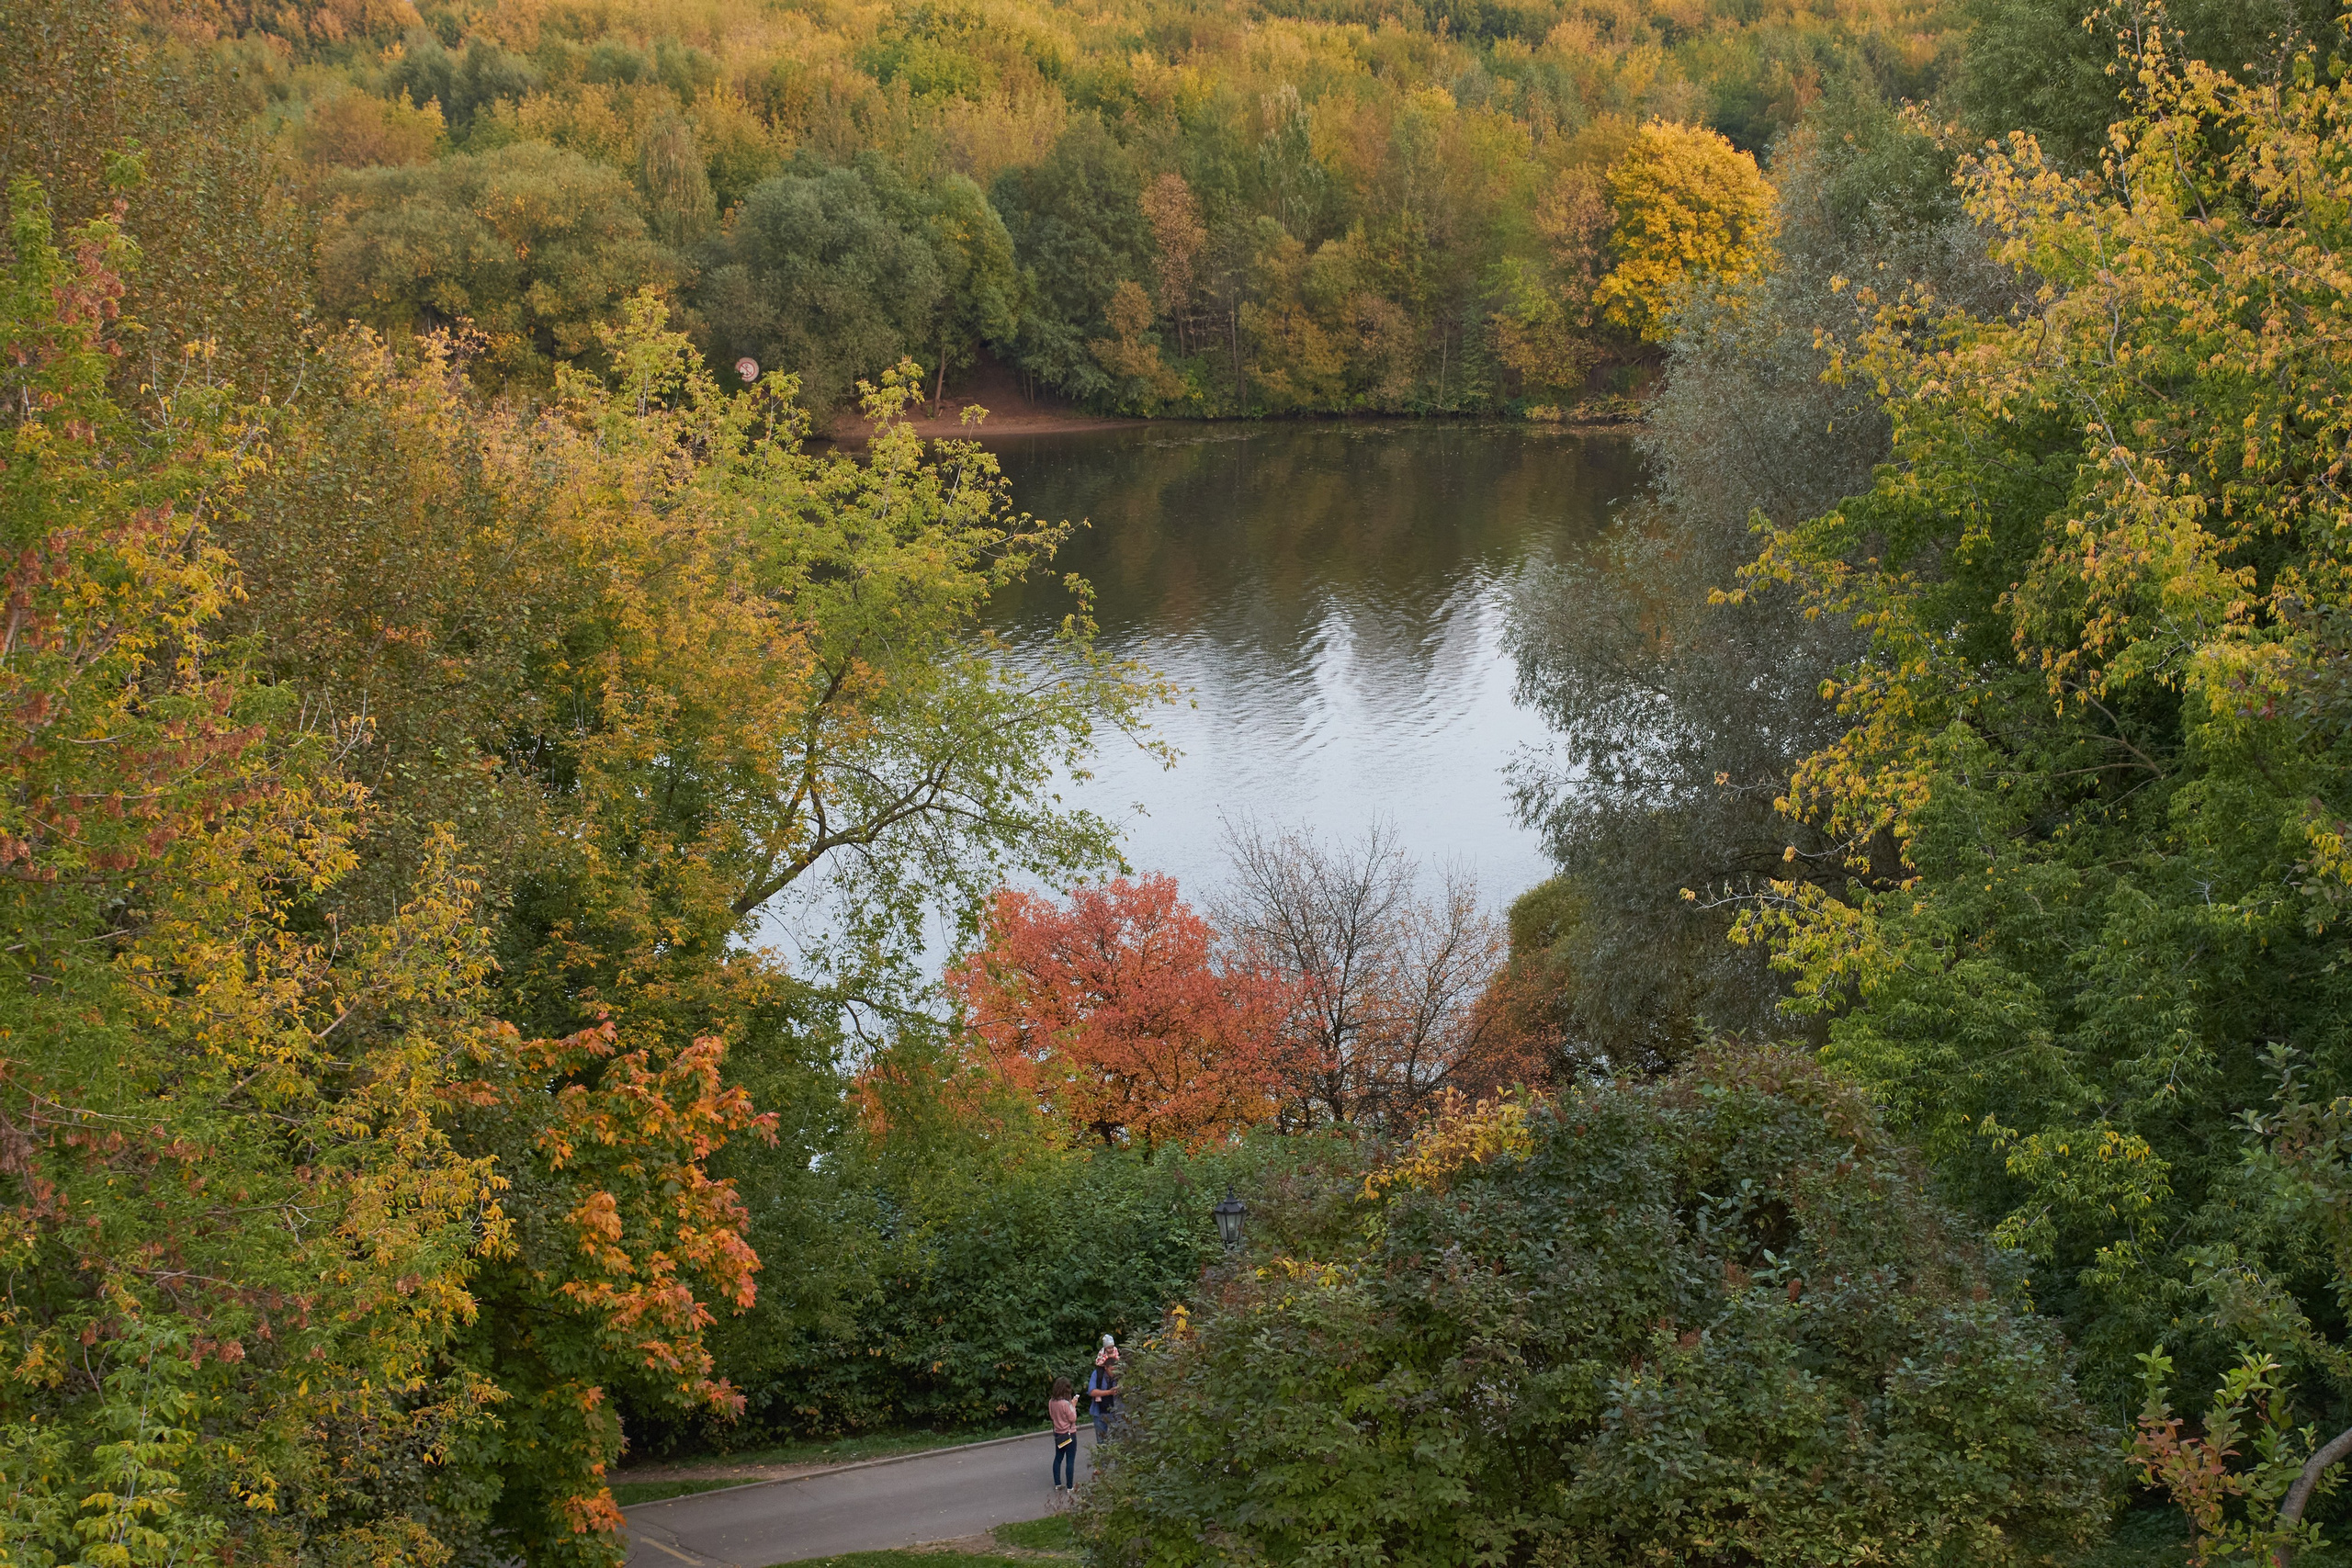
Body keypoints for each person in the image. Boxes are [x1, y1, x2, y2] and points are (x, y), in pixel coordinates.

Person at [1086, 1341, 1122, 1443]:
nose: (1114, 1372)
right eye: (1112, 1370)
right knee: (1102, 1441)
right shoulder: (1097, 1374)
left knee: (1117, 1441)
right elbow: (1092, 1391)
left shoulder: (1120, 1374)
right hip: (1100, 1412)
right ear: (1106, 1368)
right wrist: (1109, 1392)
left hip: (1116, 1412)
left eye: (1116, 1370)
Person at [1047, 1376, 1079, 1493]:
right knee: (1070, 1460)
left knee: (1058, 1458)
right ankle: (1070, 1486)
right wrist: (1073, 1406)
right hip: (1069, 1434)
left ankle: (1057, 1484)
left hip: (1058, 1434)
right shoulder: (1065, 1404)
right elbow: (1072, 1418)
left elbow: (1052, 1416)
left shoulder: (1052, 1401)